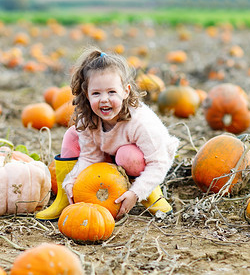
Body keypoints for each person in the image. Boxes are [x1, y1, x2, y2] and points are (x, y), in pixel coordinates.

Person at [35, 47, 179, 221]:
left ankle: (151, 194)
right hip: (112, 154)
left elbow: (158, 163)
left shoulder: (140, 122)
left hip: (151, 159)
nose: (104, 99)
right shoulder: (89, 120)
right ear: (87, 95)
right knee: (72, 134)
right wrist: (71, 181)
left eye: (111, 92)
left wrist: (135, 193)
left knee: (127, 155)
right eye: (96, 93)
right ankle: (65, 199)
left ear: (125, 91)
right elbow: (90, 158)